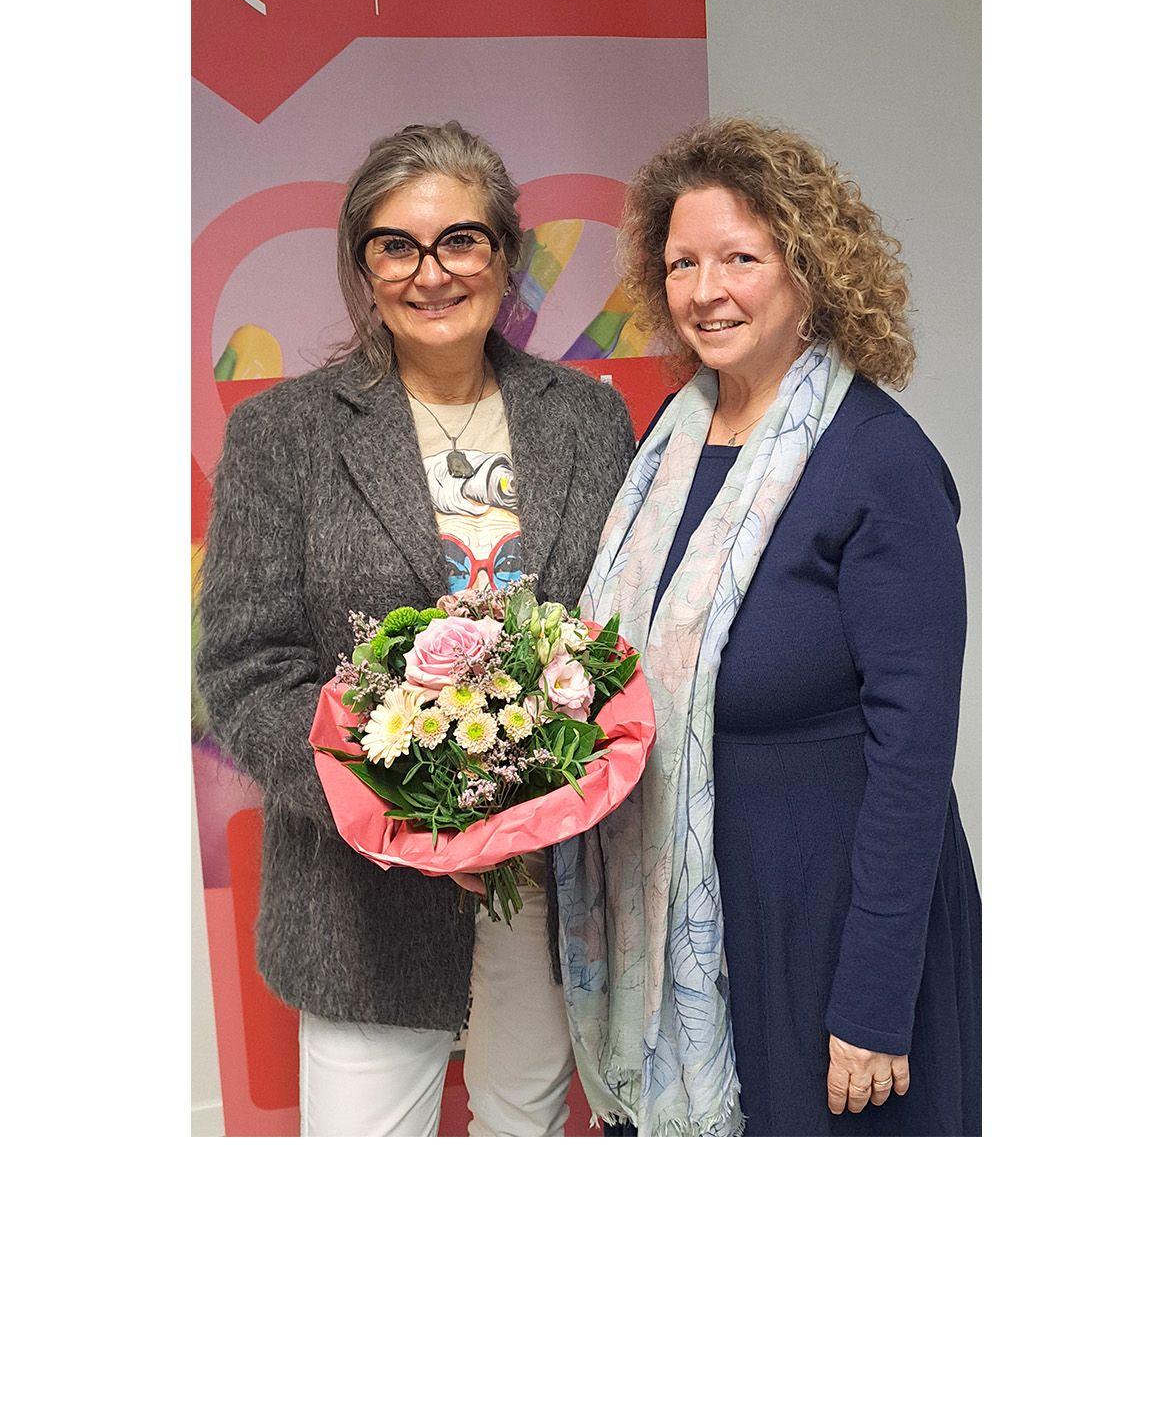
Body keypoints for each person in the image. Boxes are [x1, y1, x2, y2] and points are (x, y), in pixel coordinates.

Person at [197, 122, 635, 1136]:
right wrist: (393, 812)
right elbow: (246, 666)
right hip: (363, 898)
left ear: (506, 254)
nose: (430, 273)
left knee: (525, 1134)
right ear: (364, 269)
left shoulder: (587, 419)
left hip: (550, 878)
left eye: (460, 241)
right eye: (395, 246)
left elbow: (618, 635)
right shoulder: (285, 434)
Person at [556, 117, 981, 1136]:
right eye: (682, 264)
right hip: (691, 923)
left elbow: (914, 754)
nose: (706, 291)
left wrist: (874, 999)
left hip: (833, 933)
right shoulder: (668, 445)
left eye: (740, 259)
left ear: (809, 269)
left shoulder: (879, 460)